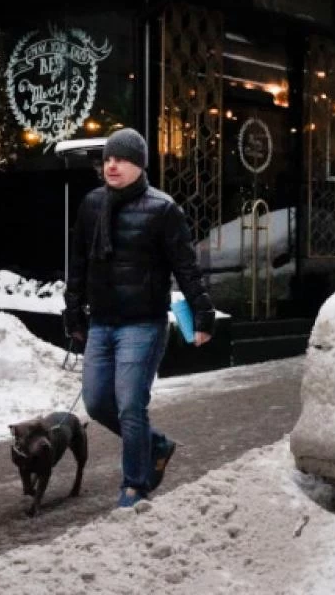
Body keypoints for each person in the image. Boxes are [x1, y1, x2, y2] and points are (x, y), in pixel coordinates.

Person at [63, 127, 215, 507]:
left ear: (139, 165)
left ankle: (134, 485)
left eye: (122, 159)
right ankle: (156, 445)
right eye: (108, 159)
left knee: (130, 403)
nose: (112, 166)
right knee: (98, 403)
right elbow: (78, 264)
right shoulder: (92, 205)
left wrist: (203, 314)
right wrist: (73, 312)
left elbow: (186, 267)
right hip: (102, 321)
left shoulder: (162, 209)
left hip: (143, 324)